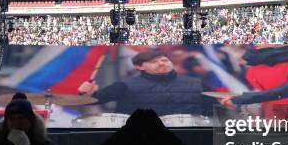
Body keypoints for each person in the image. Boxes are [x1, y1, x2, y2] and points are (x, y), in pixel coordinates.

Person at [77, 51, 213, 116]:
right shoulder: (124, 86)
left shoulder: (198, 84)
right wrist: (85, 94)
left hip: (190, 140)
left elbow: (213, 112)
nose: (161, 63)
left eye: (164, 60)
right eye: (154, 62)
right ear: (139, 67)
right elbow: (92, 100)